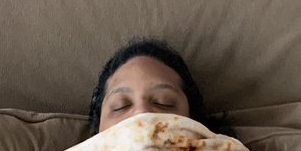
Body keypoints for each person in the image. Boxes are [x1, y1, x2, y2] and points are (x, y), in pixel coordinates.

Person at [87, 36, 236, 137]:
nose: (142, 113)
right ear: (98, 129)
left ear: (194, 119)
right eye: (120, 106)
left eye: (164, 103)